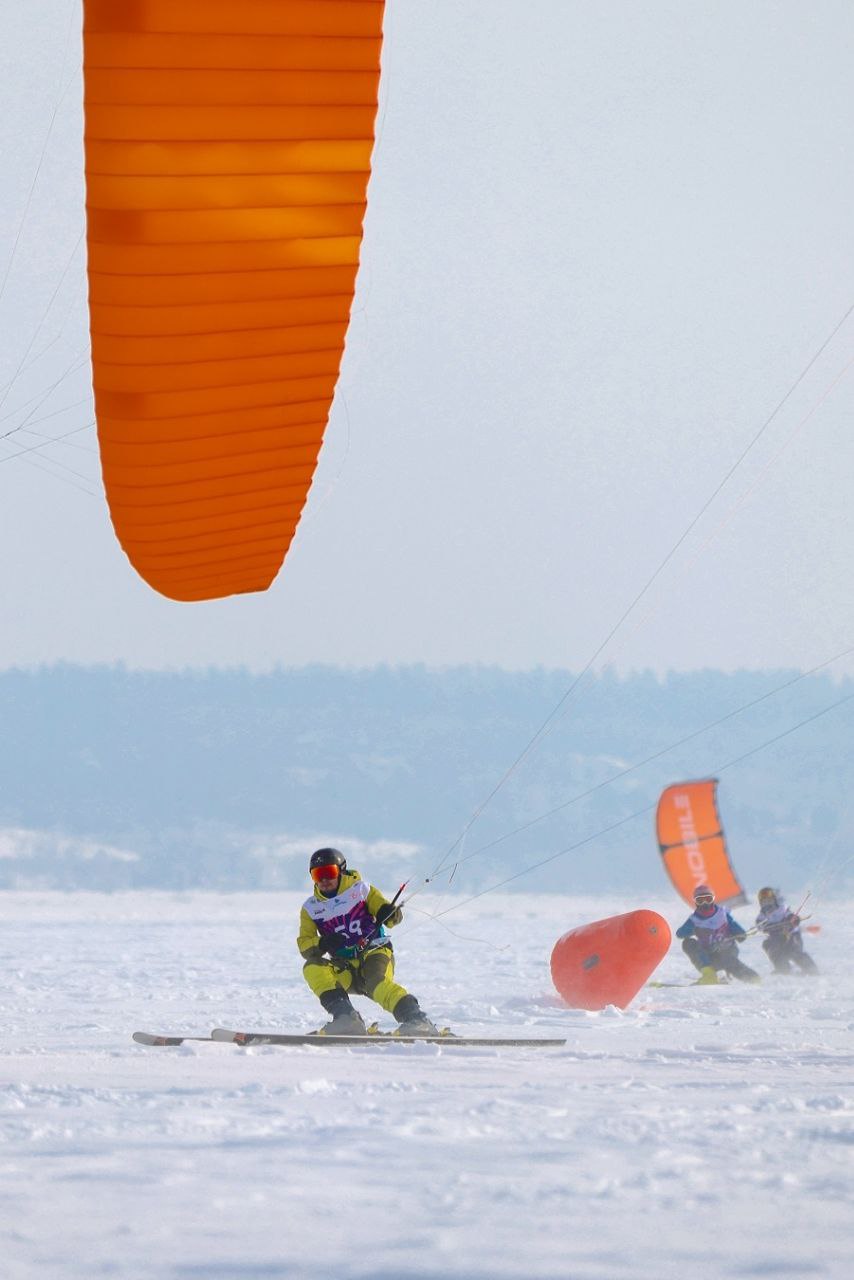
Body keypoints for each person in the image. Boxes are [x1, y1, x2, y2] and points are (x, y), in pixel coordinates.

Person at [297, 847, 439, 1036]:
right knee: (312, 967)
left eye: (328, 873)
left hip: (374, 952)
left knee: (377, 984)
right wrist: (323, 943)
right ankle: (346, 1019)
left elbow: (392, 919)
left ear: (341, 870)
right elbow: (305, 946)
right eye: (317, 875)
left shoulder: (362, 890)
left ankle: (417, 1020)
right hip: (345, 966)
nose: (324, 880)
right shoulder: (310, 908)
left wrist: (388, 912)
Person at [675, 884, 760, 984]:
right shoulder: (695, 919)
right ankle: (709, 973)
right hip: (707, 957)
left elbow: (739, 931)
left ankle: (753, 979)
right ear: (696, 902)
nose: (705, 903)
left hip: (726, 952)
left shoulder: (722, 915)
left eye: (708, 899)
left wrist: (740, 934)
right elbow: (680, 934)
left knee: (727, 959)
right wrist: (692, 928)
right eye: (700, 900)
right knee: (688, 943)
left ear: (713, 899)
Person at [755, 887, 818, 975]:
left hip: (791, 936)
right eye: (764, 902)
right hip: (775, 938)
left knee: (793, 951)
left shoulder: (782, 909)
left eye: (770, 901)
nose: (768, 904)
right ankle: (782, 968)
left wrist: (793, 920)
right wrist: (766, 927)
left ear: (775, 900)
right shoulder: (762, 915)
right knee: (770, 947)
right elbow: (760, 925)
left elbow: (791, 916)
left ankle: (810, 968)